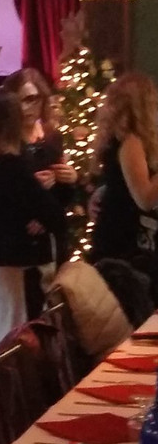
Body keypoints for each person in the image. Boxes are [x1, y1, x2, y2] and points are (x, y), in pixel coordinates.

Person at [0, 88, 63, 379]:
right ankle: (15, 401)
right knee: (19, 345)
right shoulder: (10, 164)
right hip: (18, 264)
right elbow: (54, 215)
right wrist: (43, 210)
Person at [89, 72, 158, 297]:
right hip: (124, 246)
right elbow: (144, 198)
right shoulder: (131, 142)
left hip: (119, 240)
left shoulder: (120, 140)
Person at [3, 68, 77, 265]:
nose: (25, 107)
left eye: (32, 99)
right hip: (17, 238)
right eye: (18, 101)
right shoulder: (5, 142)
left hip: (50, 237)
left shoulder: (52, 137)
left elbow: (62, 196)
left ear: (43, 99)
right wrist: (31, 189)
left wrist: (69, 179)